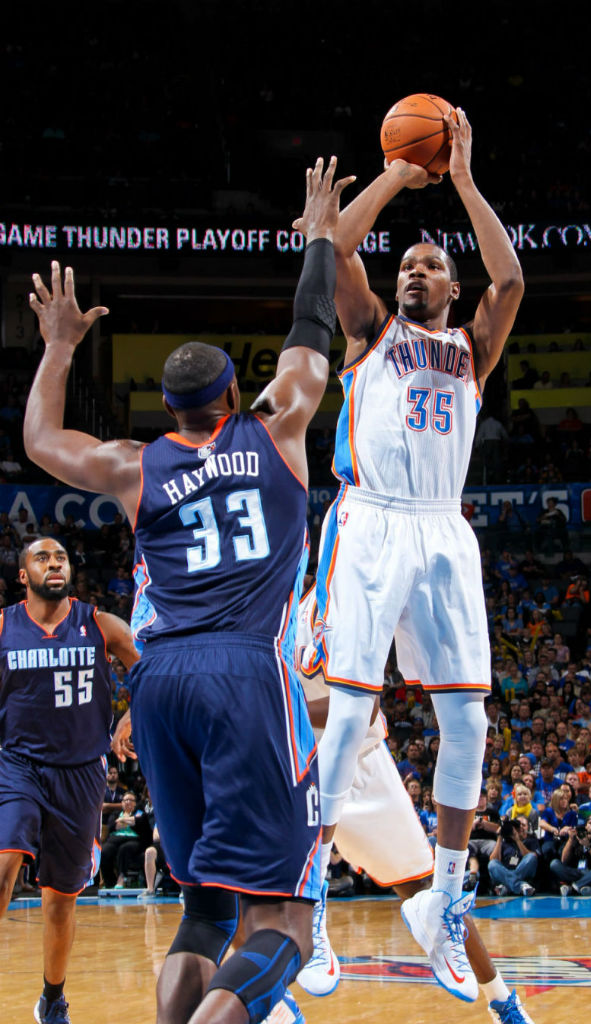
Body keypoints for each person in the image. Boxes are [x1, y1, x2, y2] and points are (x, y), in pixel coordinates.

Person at [23, 157, 353, 1024]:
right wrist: (319, 234)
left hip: (159, 680)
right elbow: (312, 324)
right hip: (246, 671)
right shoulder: (280, 425)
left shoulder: (135, 466)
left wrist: (59, 346)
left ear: (167, 410)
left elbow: (41, 439)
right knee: (283, 913)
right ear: (235, 394)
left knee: (206, 907)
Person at [300, 111, 524, 1003]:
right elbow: (334, 251)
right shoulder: (369, 334)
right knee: (348, 720)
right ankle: (312, 902)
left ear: (451, 283)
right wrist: (397, 171)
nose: (412, 272)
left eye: (429, 264)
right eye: (405, 268)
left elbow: (510, 277)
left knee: (468, 723)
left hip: (443, 530)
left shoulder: (471, 348)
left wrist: (463, 179)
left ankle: (447, 896)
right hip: (369, 523)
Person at [294, 590, 532, 1023]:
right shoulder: (259, 606)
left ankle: (501, 1002)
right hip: (296, 766)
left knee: (430, 891)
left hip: (362, 771)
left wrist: (286, 709)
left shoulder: (338, 602)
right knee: (239, 884)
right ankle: (271, 997)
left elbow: (363, 707)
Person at [0, 537, 138, 1024]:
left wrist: (131, 716)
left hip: (82, 773)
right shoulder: (3, 627)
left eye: (60, 557)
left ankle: (52, 999)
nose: (54, 563)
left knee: (59, 902)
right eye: (42, 557)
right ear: (24, 576)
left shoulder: (98, 623)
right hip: (17, 765)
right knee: (4, 864)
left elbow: (151, 669)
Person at [488, 816, 539, 897]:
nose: (520, 828)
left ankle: (507, 886)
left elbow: (533, 858)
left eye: (523, 825)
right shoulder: (506, 842)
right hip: (505, 871)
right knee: (492, 864)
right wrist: (500, 837)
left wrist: (517, 840)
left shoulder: (532, 840)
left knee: (531, 857)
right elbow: (493, 860)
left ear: (528, 827)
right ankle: (521, 885)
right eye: (518, 826)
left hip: (523, 873)